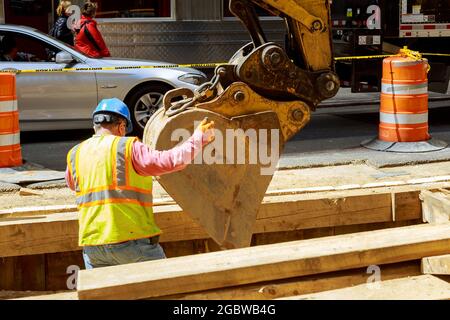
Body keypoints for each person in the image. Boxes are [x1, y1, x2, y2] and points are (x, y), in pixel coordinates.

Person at [65, 98, 214, 269]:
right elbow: (171, 161)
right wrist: (199, 138)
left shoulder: (75, 154)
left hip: (93, 248)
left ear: (95, 126)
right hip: (131, 244)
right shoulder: (127, 147)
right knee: (165, 288)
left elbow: (72, 183)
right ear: (121, 127)